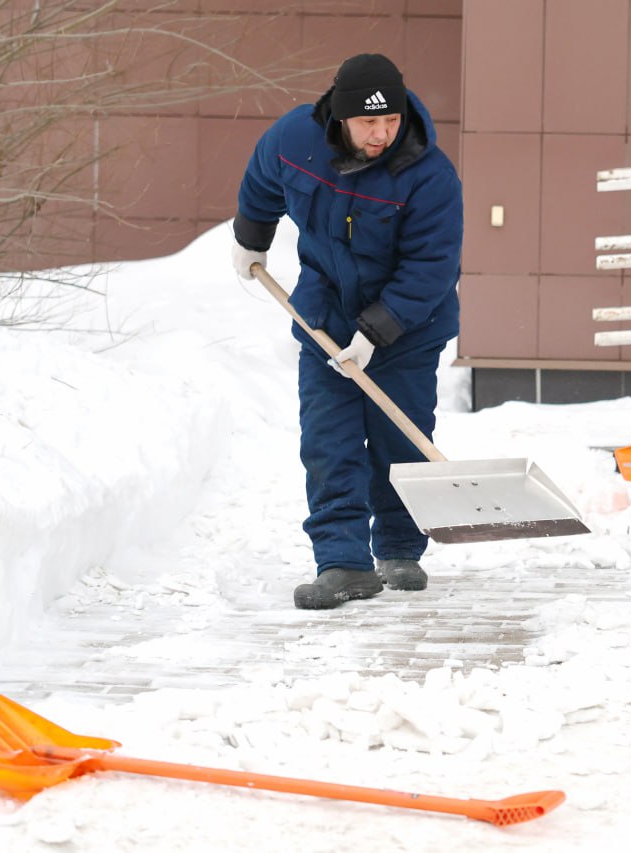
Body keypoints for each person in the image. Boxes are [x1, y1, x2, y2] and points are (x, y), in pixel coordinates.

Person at [231, 54, 462, 608]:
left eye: (391, 120)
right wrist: (251, 237)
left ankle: (399, 549)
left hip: (407, 329)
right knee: (328, 444)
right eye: (368, 123)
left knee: (398, 442)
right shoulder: (295, 138)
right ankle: (342, 563)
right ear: (340, 117)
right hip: (326, 321)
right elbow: (262, 178)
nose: (382, 134)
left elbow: (432, 265)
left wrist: (379, 330)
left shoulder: (428, 175)